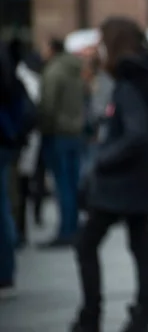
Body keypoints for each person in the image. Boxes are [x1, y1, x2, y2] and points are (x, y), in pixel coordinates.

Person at [71, 17, 148, 332]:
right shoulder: (143, 76)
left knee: (86, 244)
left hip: (120, 183)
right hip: (139, 180)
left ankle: (91, 316)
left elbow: (137, 134)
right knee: (140, 248)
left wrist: (102, 159)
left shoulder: (129, 81)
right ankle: (140, 316)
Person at [38, 37, 86, 248]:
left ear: (51, 48)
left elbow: (48, 106)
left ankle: (66, 231)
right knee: (72, 183)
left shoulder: (54, 72)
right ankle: (72, 227)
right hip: (76, 132)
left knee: (63, 185)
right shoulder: (75, 70)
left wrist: (44, 129)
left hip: (58, 133)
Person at [0, 41, 36, 298]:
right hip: (9, 144)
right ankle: (7, 269)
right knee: (7, 204)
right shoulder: (15, 79)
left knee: (5, 206)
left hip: (6, 143)